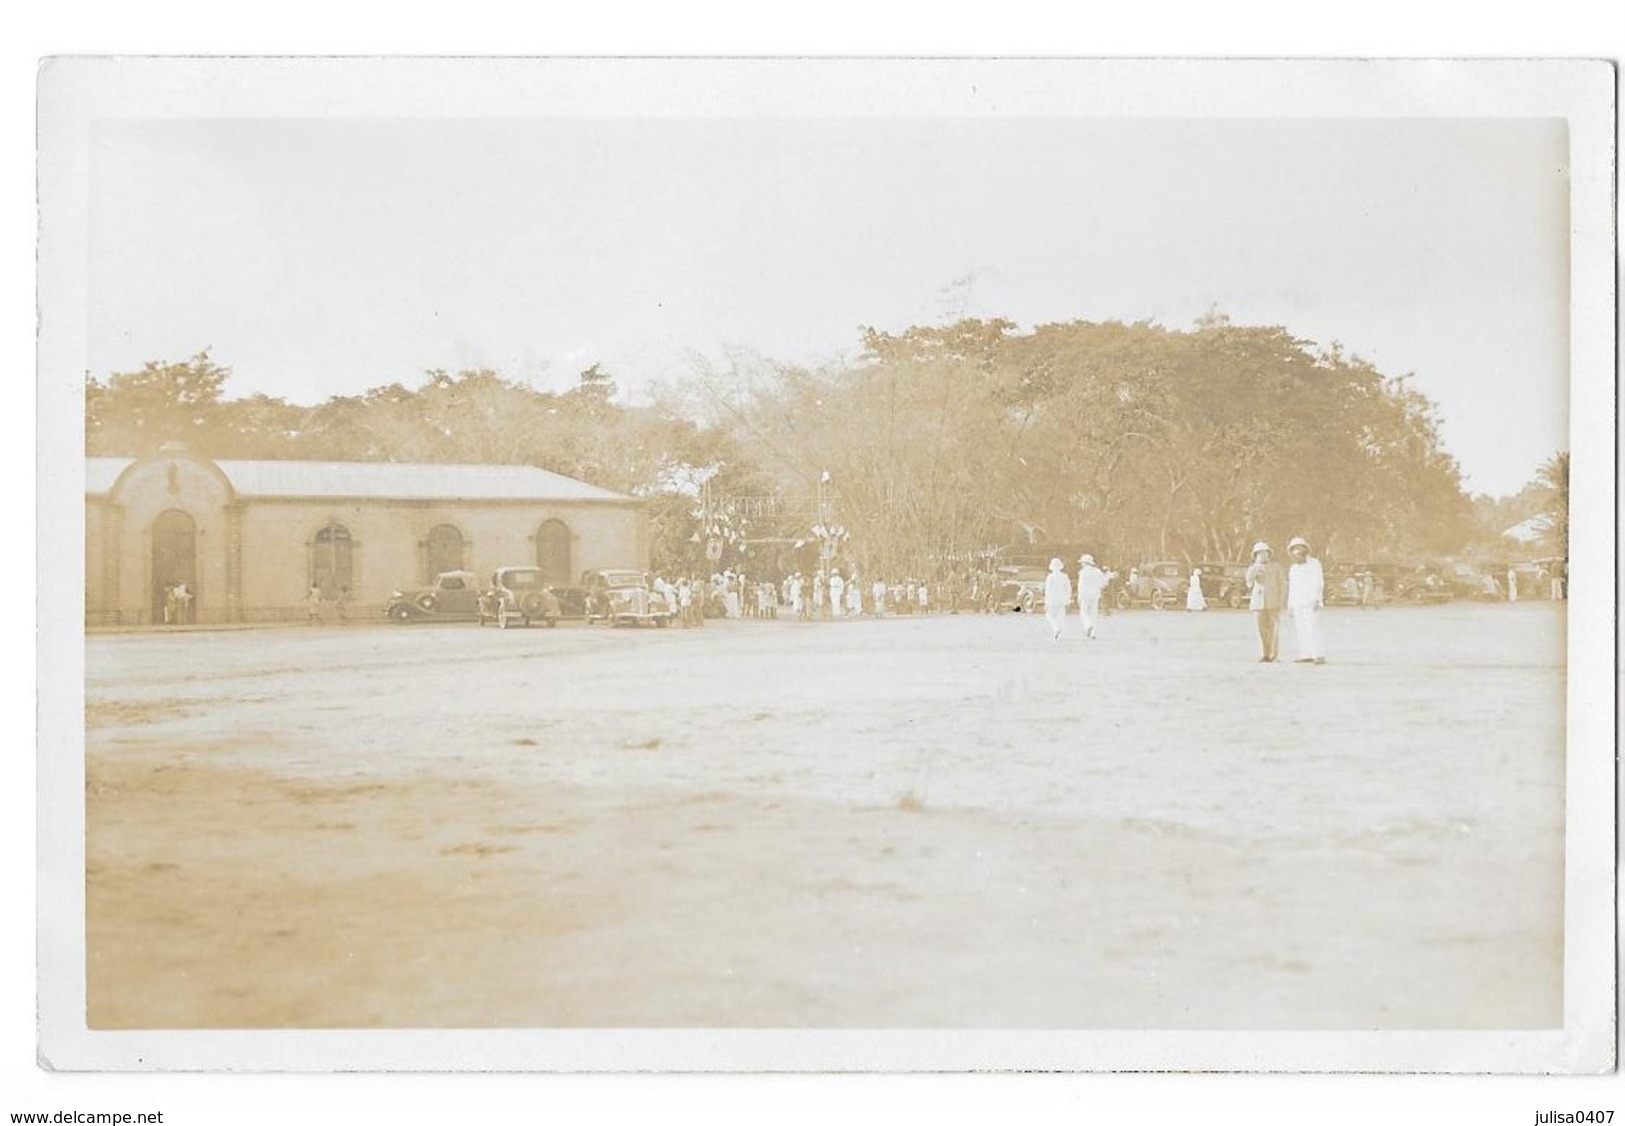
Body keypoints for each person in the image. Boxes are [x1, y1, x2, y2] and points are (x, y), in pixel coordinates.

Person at [1285, 536, 1326, 664]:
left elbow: (1318, 582)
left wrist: (1318, 600)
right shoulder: (1293, 568)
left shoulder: (1314, 563)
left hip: (1311, 601)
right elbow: (1292, 587)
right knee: (1301, 629)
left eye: (1299, 548)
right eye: (1294, 549)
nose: (1297, 552)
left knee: (1312, 627)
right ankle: (1305, 654)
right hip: (1297, 602)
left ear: (1305, 549)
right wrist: (1290, 605)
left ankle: (1318, 654)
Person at [1245, 542, 1286, 663]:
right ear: (1255, 555)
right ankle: (1264, 654)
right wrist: (1253, 577)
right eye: (1260, 554)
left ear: (1269, 554)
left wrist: (1281, 601)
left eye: (1265, 553)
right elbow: (1248, 585)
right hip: (1258, 603)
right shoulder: (1252, 568)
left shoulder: (1276, 567)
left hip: (1273, 602)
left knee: (1274, 630)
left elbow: (1282, 585)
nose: (1263, 556)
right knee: (1261, 630)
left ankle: (1274, 655)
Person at [1076, 554, 1108, 639]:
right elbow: (1104, 583)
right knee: (1094, 614)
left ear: (1085, 563)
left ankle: (1088, 625)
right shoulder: (1097, 571)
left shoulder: (1082, 572)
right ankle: (1093, 633)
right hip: (1095, 595)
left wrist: (1079, 596)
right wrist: (1098, 587)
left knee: (1084, 613)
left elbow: (1081, 586)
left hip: (1085, 595)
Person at [1042, 558, 1070, 641]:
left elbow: (1048, 590)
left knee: (1050, 615)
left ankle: (1056, 628)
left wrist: (1046, 601)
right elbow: (1068, 588)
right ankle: (1059, 632)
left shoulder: (1050, 577)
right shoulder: (1064, 577)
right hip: (1062, 598)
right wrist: (1068, 599)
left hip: (1052, 599)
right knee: (1061, 616)